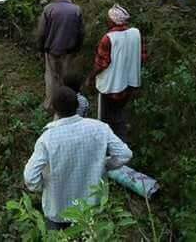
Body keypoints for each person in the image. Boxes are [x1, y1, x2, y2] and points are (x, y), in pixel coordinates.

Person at [23, 86, 132, 230]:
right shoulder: (99, 128)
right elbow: (125, 155)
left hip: (58, 212)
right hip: (92, 210)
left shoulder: (47, 139)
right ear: (77, 105)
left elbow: (30, 178)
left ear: (55, 109)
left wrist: (44, 186)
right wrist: (104, 165)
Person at [89, 5, 146, 141]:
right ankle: (122, 145)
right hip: (128, 84)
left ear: (113, 21)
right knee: (119, 113)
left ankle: (108, 147)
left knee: (105, 119)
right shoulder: (135, 33)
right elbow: (143, 57)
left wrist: (90, 77)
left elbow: (101, 63)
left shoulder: (108, 38)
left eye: (108, 19)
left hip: (110, 86)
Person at [36, 0, 84, 111]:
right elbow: (81, 32)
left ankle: (50, 105)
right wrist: (77, 49)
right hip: (68, 51)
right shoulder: (76, 10)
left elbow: (41, 32)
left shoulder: (48, 9)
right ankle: (66, 106)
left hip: (51, 51)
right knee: (65, 78)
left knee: (51, 77)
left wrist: (41, 49)